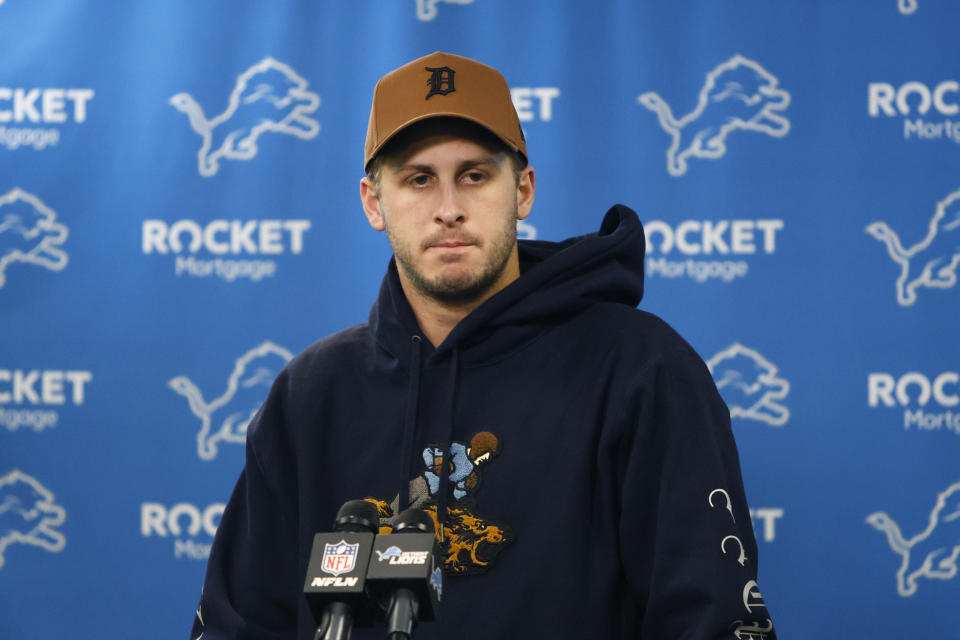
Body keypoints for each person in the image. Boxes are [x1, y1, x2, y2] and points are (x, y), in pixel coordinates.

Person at [191, 51, 776, 640]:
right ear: (373, 202)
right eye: (419, 179)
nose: (449, 209)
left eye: (474, 175)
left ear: (522, 191)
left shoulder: (640, 371)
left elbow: (710, 620)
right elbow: (236, 626)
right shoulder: (309, 396)